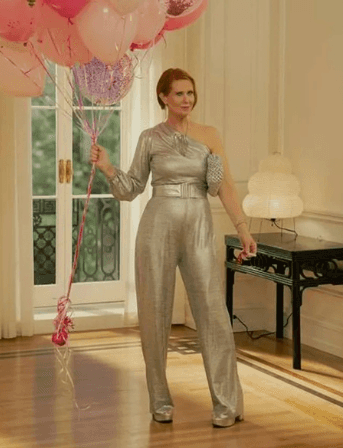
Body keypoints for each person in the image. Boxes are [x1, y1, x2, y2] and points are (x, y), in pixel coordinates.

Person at [90, 68, 257, 428]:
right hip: (157, 224)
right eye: (179, 94)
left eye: (190, 93)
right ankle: (160, 402)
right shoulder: (150, 138)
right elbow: (132, 187)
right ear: (163, 97)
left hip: (198, 222)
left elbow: (224, 185)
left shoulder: (209, 135)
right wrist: (106, 167)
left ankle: (227, 403)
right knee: (154, 314)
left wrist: (242, 228)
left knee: (213, 312)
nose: (186, 100)